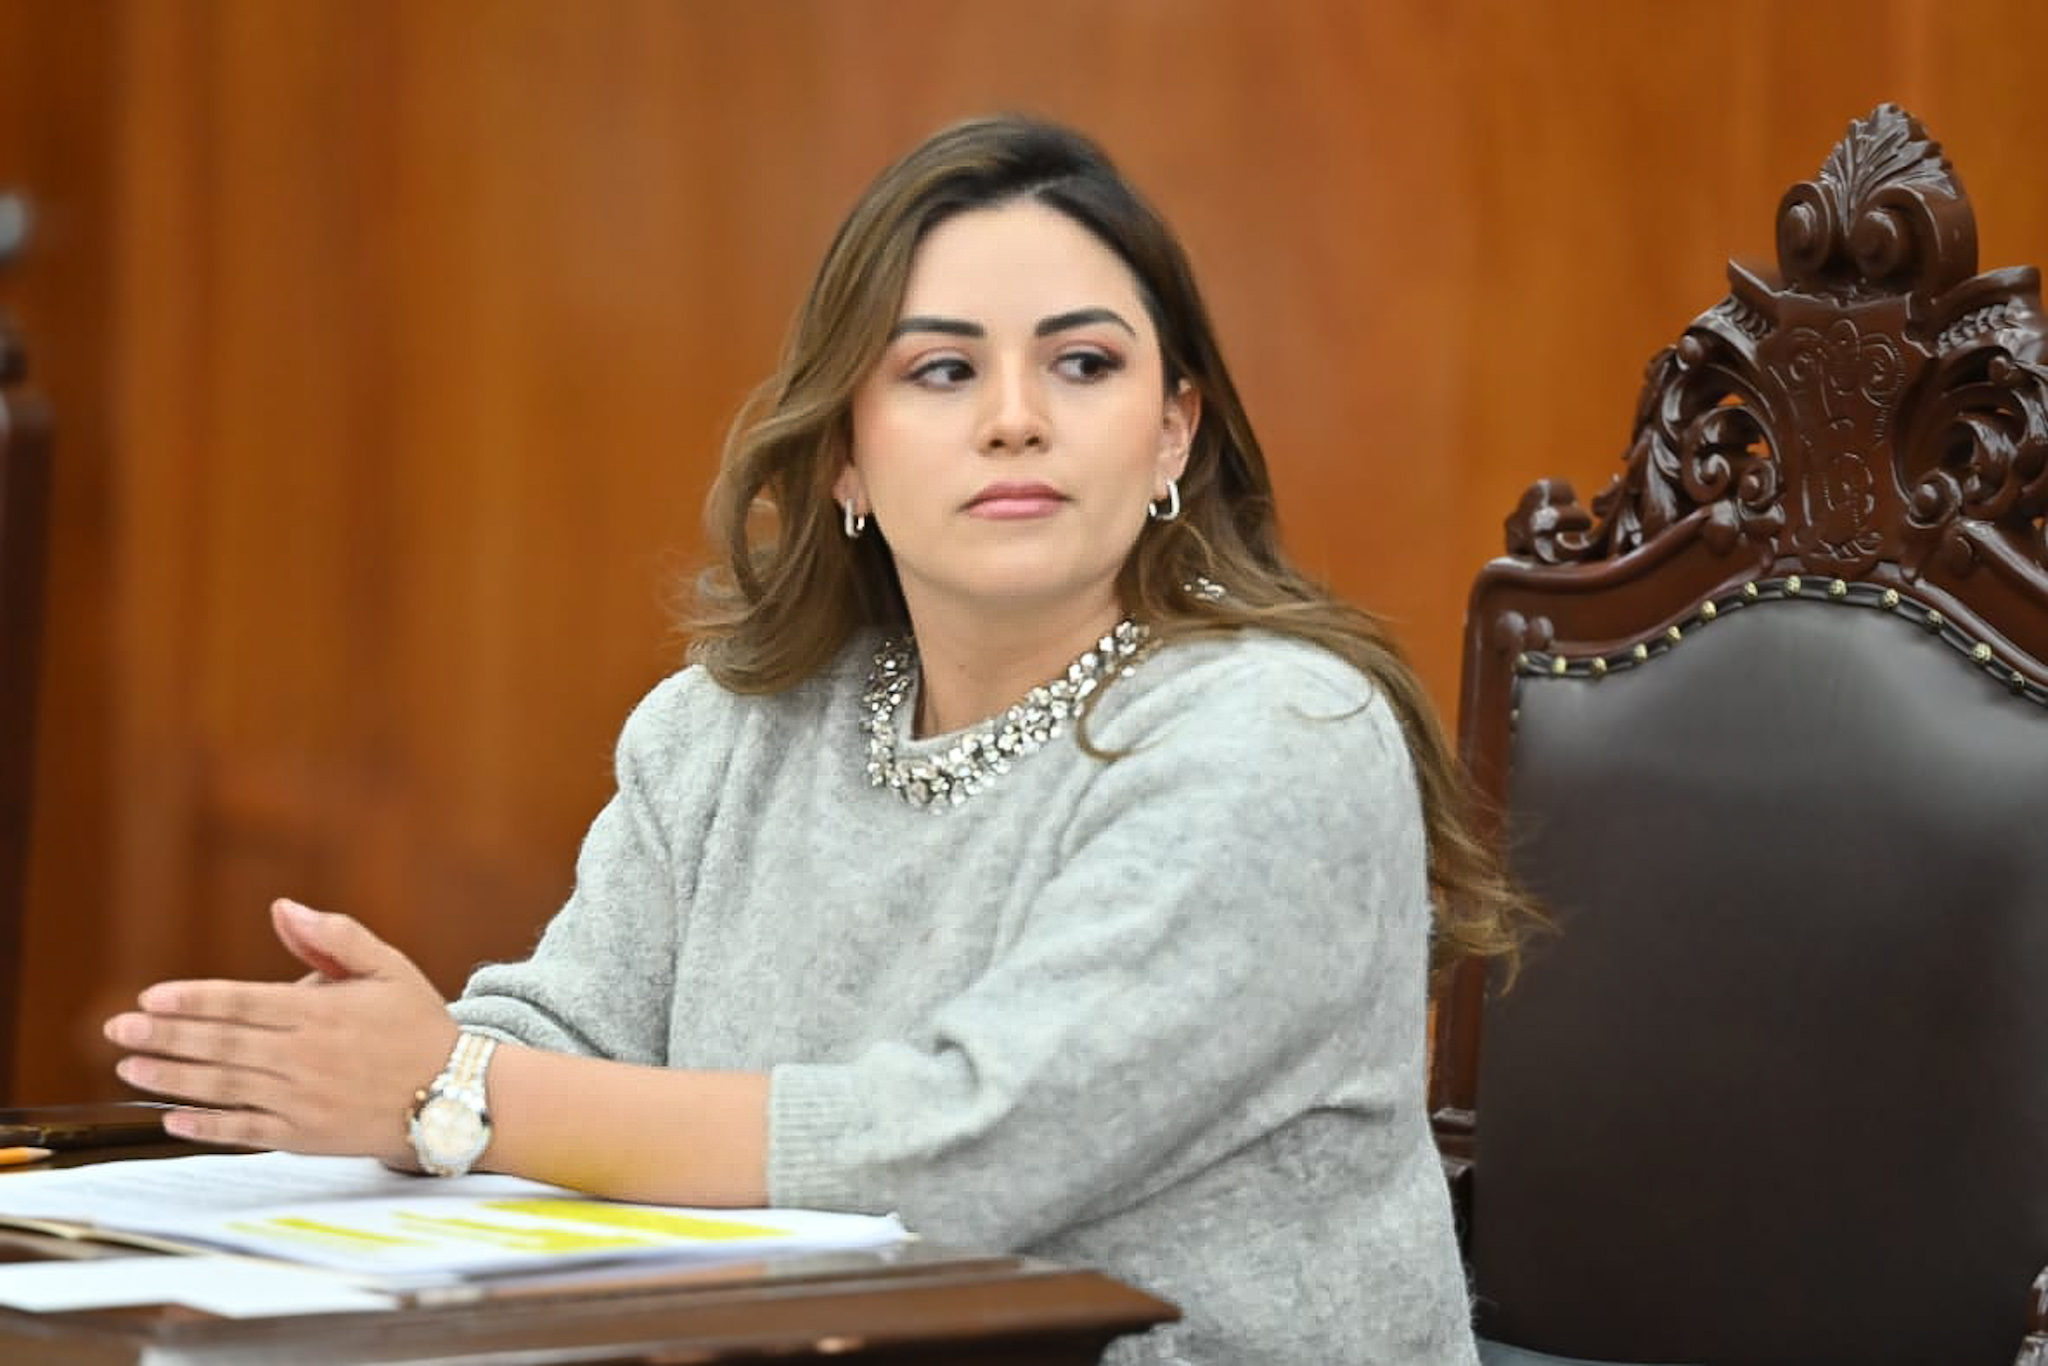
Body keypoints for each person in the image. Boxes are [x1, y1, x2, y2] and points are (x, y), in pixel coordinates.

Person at [103, 114, 1530, 1365]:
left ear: (1174, 433)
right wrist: (386, 1062)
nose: (1016, 420)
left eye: (1083, 364)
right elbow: (565, 1043)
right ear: (845, 449)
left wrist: (451, 1089)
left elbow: (970, 1149)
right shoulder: (730, 727)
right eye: (942, 371)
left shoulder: (1280, 735)